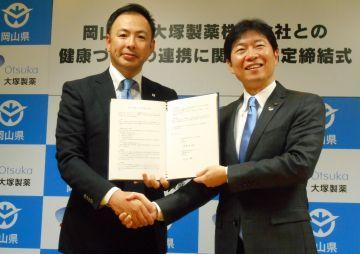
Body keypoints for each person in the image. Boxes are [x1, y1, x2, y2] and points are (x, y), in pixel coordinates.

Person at [121, 19, 325, 254]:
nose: (250, 55)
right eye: (240, 50)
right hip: (231, 242)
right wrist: (156, 208)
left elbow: (298, 164)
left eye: (259, 46)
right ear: (230, 64)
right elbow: (204, 183)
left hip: (284, 242)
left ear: (276, 54)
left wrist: (228, 174)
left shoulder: (304, 104)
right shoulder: (221, 117)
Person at [55, 4, 177, 254]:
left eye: (141, 37)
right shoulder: (78, 91)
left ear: (152, 47)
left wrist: (168, 177)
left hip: (146, 229)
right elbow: (69, 159)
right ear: (108, 42)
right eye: (123, 35)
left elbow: (173, 162)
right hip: (88, 233)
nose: (131, 43)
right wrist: (114, 197)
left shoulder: (166, 96)